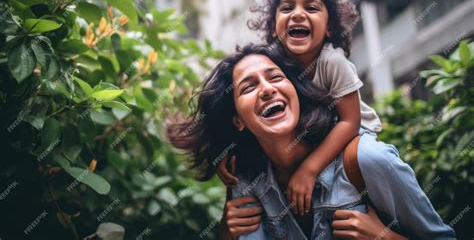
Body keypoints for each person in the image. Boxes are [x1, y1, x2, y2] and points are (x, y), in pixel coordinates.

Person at [167, 44, 455, 239]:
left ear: (295, 92)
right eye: (249, 86)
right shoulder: (244, 180)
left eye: (275, 77)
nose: (267, 89)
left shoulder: (367, 161)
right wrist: (226, 233)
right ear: (238, 121)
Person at [216, 0, 381, 218]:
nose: (298, 14)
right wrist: (228, 152)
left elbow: (349, 121)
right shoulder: (276, 64)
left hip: (354, 134)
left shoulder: (332, 62)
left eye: (311, 7)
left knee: (365, 171)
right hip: (316, 138)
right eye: (287, 7)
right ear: (273, 28)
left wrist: (309, 170)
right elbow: (255, 115)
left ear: (329, 29)